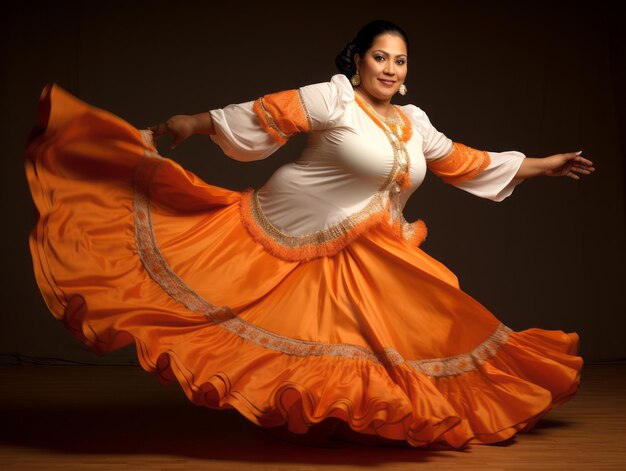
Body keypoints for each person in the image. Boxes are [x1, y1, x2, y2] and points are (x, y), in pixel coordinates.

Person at [25, 19, 593, 450]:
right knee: (280, 324)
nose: (390, 69)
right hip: (294, 226)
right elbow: (266, 113)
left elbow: (463, 161)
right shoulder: (335, 97)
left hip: (372, 246)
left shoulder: (415, 122)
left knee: (404, 325)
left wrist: (544, 164)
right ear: (359, 61)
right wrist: (193, 125)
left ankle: (347, 416)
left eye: (400, 61)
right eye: (380, 57)